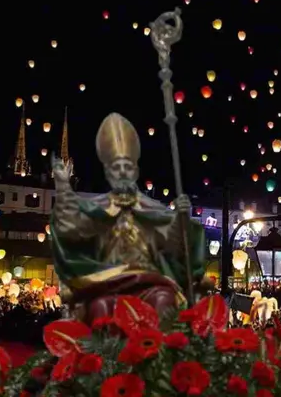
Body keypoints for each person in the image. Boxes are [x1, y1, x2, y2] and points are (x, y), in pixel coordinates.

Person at [51, 113, 205, 322]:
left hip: (149, 280)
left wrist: (181, 217)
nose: (122, 172)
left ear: (135, 171)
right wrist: (62, 189)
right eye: (116, 167)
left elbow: (171, 247)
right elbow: (72, 233)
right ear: (108, 172)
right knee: (100, 307)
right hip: (108, 282)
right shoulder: (97, 209)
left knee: (163, 300)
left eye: (127, 166)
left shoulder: (152, 209)